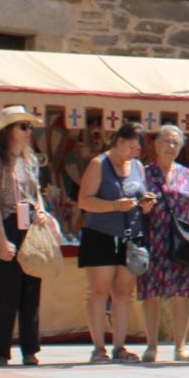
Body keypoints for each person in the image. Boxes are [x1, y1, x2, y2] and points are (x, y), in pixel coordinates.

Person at [0, 107, 60, 367]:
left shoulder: (31, 161)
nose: (29, 132)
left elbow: (36, 192)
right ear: (9, 131)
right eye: (23, 127)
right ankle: (1, 351)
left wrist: (41, 212)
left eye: (30, 127)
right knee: (5, 293)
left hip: (29, 223)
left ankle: (30, 348)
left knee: (31, 290)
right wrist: (2, 238)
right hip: (7, 223)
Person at [75, 123, 153, 363]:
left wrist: (146, 205)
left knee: (124, 292)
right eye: (130, 147)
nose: (133, 153)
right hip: (100, 233)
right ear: (118, 141)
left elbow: (140, 195)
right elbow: (84, 201)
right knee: (99, 290)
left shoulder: (137, 167)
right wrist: (113, 206)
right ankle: (99, 347)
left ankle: (120, 345)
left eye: (137, 149)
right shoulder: (100, 164)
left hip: (130, 235)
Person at [138, 124, 189, 363]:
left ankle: (180, 346)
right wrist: (143, 207)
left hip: (182, 241)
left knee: (182, 293)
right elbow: (135, 206)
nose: (171, 146)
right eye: (166, 141)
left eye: (176, 142)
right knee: (151, 293)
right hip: (153, 238)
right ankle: (151, 346)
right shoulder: (144, 173)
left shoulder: (187, 174)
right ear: (155, 144)